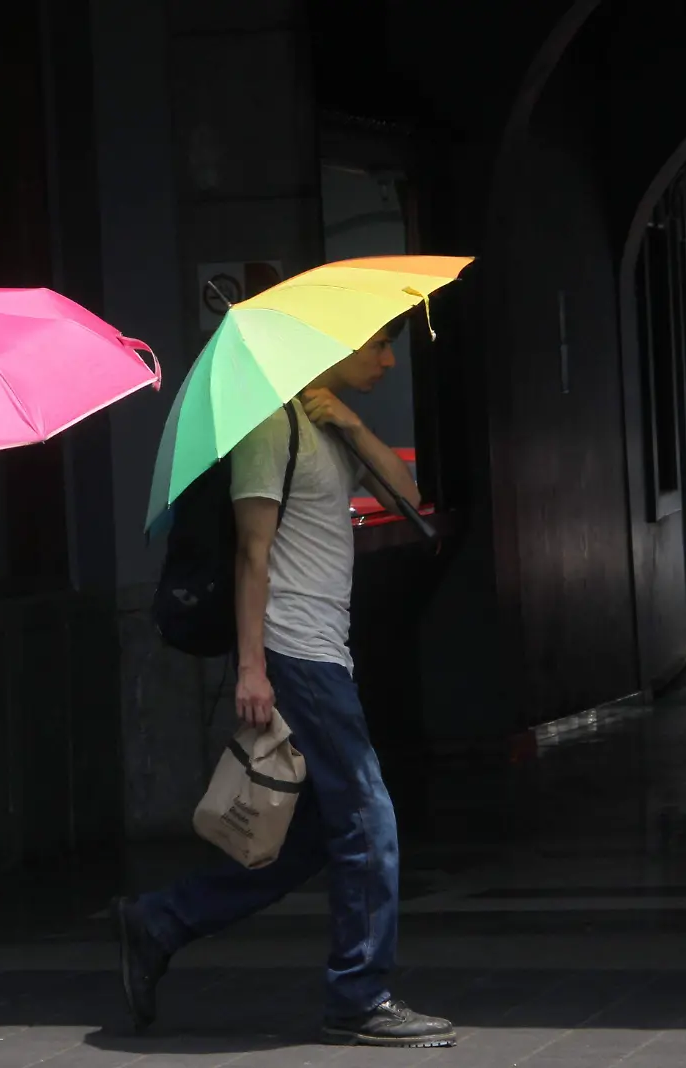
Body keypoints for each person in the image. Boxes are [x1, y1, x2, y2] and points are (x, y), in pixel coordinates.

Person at [112, 321, 457, 1048]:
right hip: (295, 652)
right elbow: (251, 555)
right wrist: (251, 668)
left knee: (303, 844)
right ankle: (360, 996)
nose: (389, 361)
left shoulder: (329, 424)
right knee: (370, 821)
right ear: (332, 350)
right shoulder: (271, 426)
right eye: (377, 347)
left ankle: (160, 922)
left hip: (326, 651)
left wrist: (355, 426)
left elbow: (412, 499)